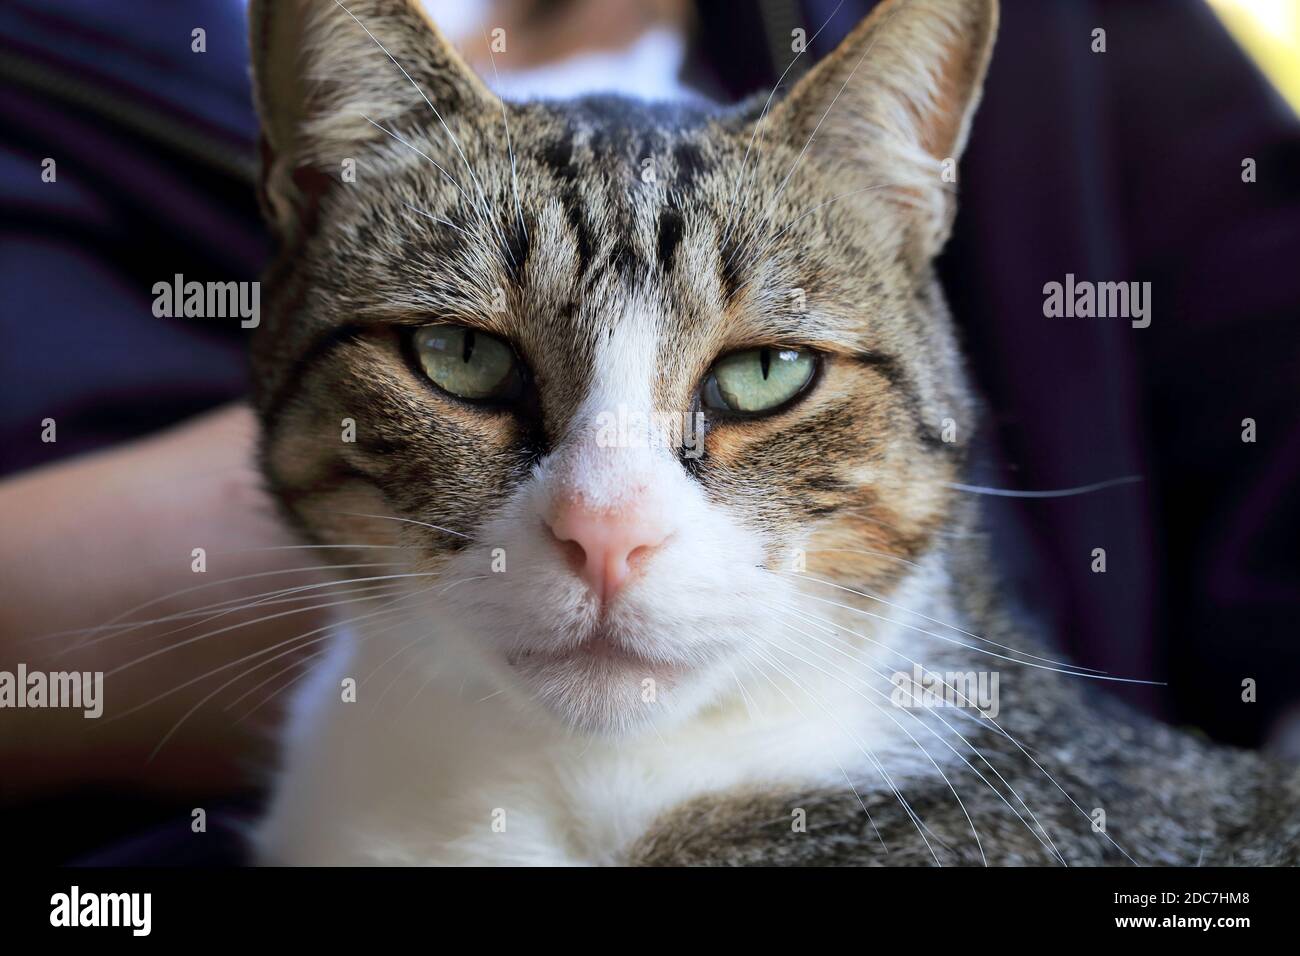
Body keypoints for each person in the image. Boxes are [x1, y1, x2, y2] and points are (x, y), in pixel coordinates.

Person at [2, 0, 1297, 863]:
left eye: (763, 372)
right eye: (466, 355)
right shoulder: (43, 80)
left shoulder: (1114, 47)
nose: (606, 528)